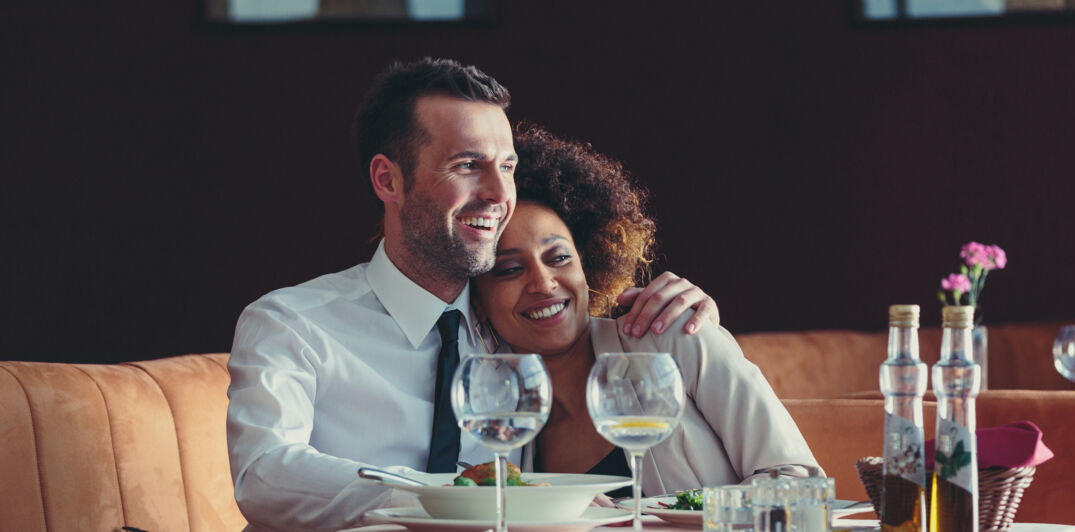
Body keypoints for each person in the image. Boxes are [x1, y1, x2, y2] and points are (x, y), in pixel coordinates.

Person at [226, 58, 720, 532]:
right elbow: (265, 475)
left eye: (507, 166)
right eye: (467, 165)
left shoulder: (516, 326)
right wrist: (443, 498)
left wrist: (696, 318)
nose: (499, 193)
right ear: (387, 179)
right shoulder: (291, 323)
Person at [472, 124, 822, 496]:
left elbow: (799, 483)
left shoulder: (672, 335)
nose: (543, 283)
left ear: (586, 264)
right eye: (509, 269)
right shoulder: (497, 412)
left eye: (559, 257)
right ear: (476, 298)